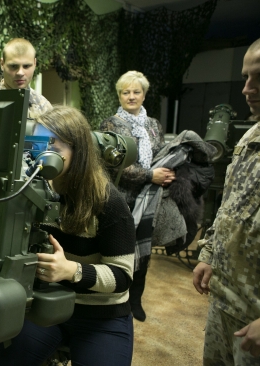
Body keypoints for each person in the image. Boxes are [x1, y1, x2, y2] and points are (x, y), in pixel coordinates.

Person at [0, 105, 136, 366]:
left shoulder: (108, 202)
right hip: (46, 304)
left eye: (52, 145)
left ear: (78, 152)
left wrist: (72, 271)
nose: (41, 154)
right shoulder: (32, 189)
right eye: (37, 143)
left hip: (101, 315)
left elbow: (123, 276)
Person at [192, 38, 260, 364]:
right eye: (246, 77)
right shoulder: (251, 137)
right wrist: (208, 253)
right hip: (225, 303)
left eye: (258, 78)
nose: (248, 89)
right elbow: (230, 204)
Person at [99, 70, 175, 322]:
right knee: (118, 249)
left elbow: (162, 155)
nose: (131, 96)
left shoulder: (153, 125)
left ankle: (136, 300)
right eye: (125, 92)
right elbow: (115, 164)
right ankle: (115, 299)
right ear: (119, 95)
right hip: (120, 196)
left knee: (143, 251)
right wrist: (150, 175)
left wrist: (165, 174)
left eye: (136, 92)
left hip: (149, 198)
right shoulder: (110, 124)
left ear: (144, 94)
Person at [0, 38, 52, 119]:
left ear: (35, 63)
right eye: (13, 66)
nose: (20, 73)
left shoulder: (44, 108)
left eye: (26, 66)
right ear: (2, 64)